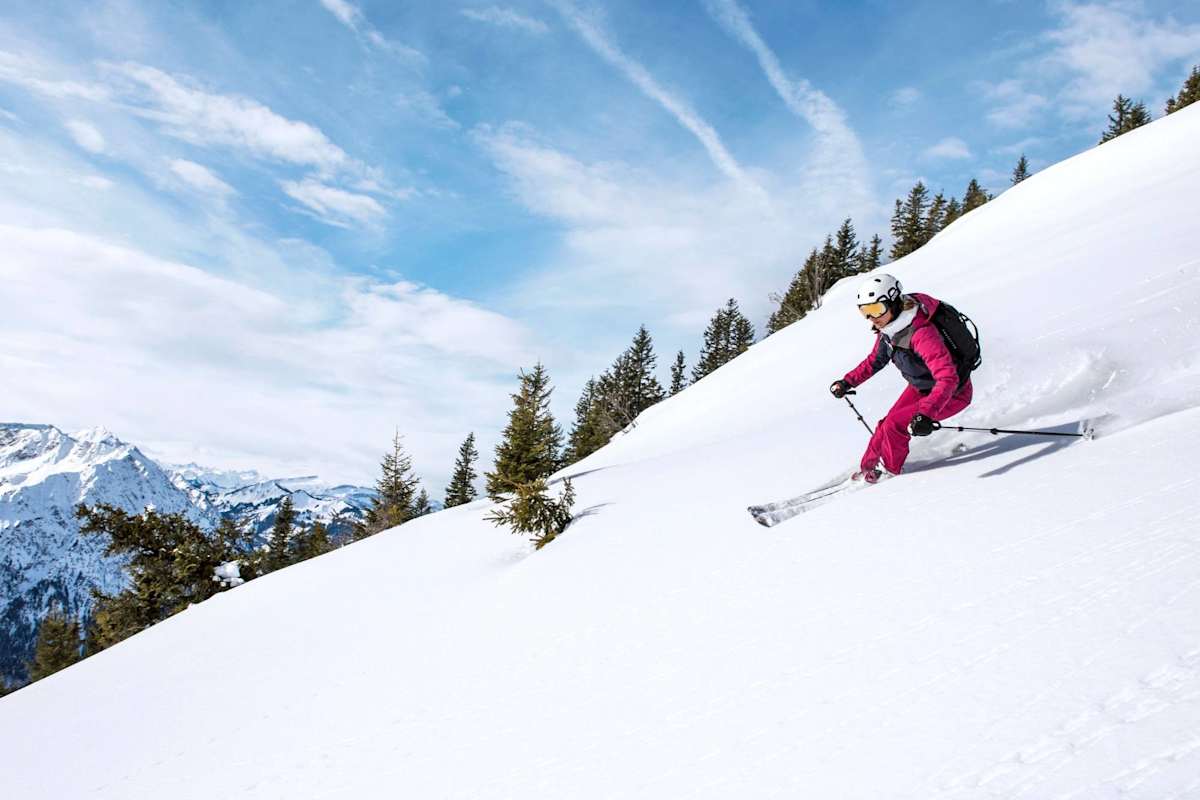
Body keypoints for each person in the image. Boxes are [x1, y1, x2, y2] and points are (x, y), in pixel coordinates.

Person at [829, 274, 973, 483]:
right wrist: (847, 382)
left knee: (895, 426)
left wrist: (926, 414)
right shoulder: (889, 329)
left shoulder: (921, 333)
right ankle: (868, 468)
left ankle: (890, 474)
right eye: (865, 311)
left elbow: (947, 378)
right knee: (885, 425)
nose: (871, 318)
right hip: (921, 386)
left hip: (952, 394)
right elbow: (875, 360)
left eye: (876, 309)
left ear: (894, 303)